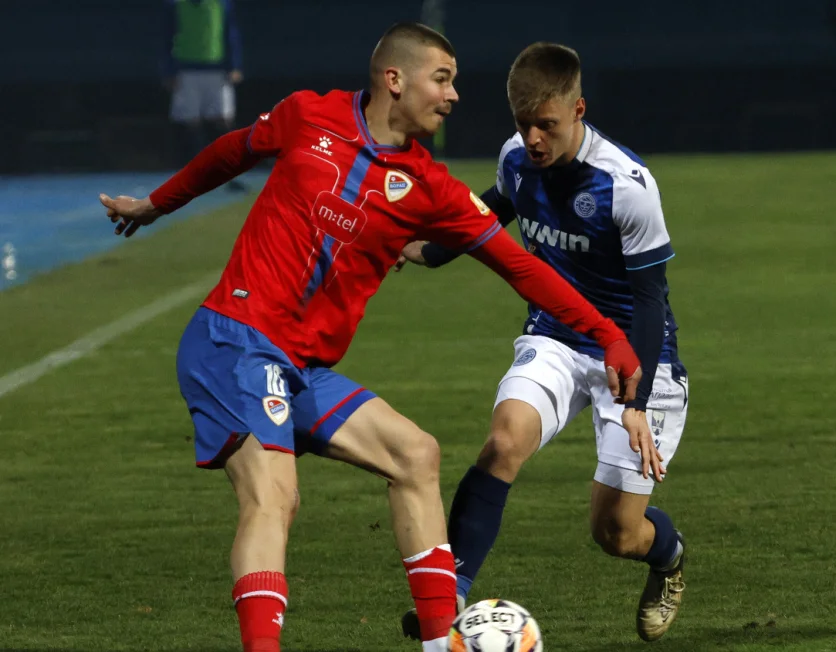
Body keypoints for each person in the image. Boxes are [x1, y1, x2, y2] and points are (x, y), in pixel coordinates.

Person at [100, 24, 642, 652]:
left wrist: (606, 334)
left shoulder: (431, 190)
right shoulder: (309, 114)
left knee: (416, 454)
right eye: (442, 79)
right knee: (275, 496)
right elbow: (234, 150)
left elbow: (521, 267)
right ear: (395, 79)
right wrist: (158, 204)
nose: (454, 95)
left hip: (298, 367)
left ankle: (442, 644)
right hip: (234, 340)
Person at [400, 42, 688, 642]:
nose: (533, 138)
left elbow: (648, 301)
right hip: (556, 336)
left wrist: (635, 403)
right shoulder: (515, 157)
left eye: (547, 125)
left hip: (635, 355)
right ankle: (448, 594)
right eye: (523, 124)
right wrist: (424, 252)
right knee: (502, 443)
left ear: (578, 109)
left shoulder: (627, 186)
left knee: (616, 533)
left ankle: (667, 556)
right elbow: (490, 213)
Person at [162, 0, 245, 182]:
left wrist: (235, 65)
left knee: (223, 118)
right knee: (190, 119)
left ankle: (229, 169)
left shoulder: (221, 4)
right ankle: (197, 170)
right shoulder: (175, 5)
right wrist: (169, 71)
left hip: (217, 68)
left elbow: (230, 33)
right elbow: (167, 37)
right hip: (186, 70)